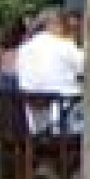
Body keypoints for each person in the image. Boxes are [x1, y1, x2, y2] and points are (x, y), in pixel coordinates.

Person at [15, 8, 85, 139]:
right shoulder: (65, 45)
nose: (67, 30)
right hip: (64, 120)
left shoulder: (24, 48)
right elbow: (89, 68)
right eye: (65, 25)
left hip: (33, 125)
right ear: (55, 25)